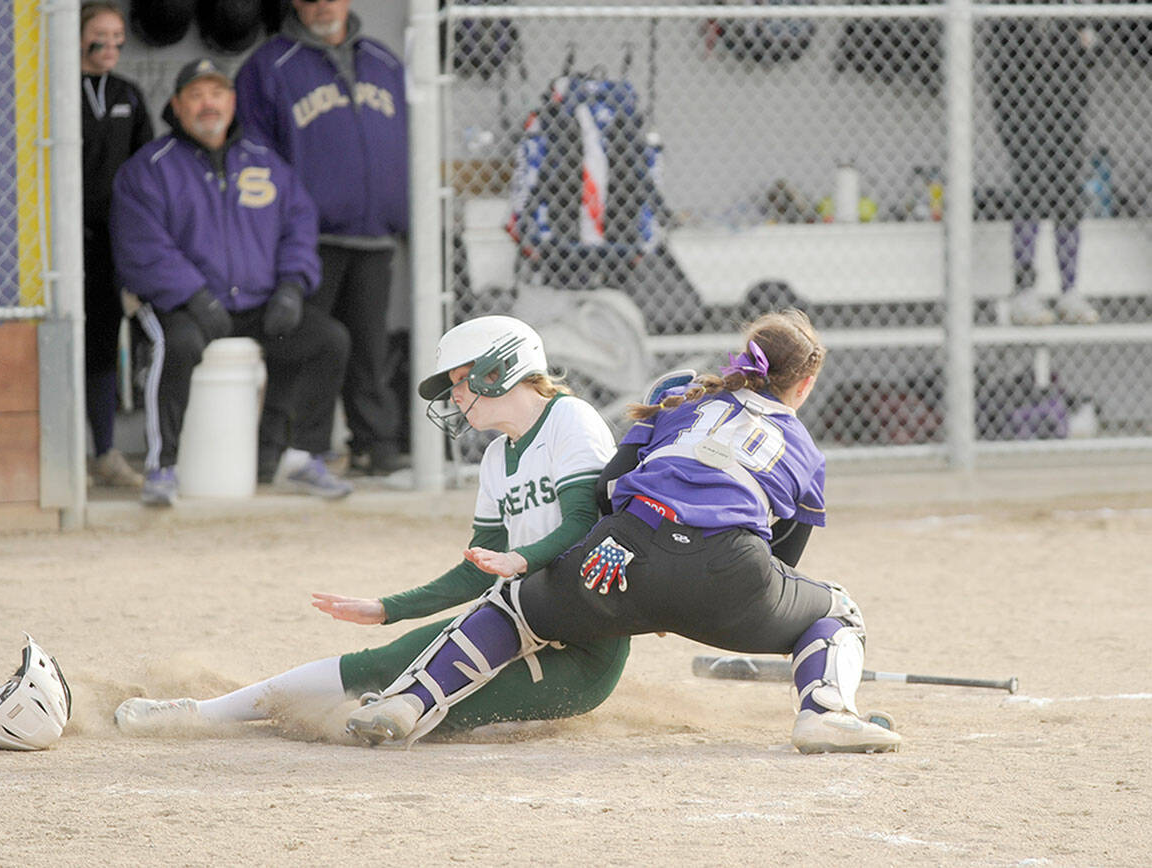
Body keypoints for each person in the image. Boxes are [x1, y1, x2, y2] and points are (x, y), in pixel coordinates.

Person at [348, 309, 903, 755]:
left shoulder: (683, 401)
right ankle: (826, 713)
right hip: (729, 574)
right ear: (804, 384)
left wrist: (645, 585)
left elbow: (607, 488)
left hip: (619, 553)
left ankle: (409, 702)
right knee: (839, 610)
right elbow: (784, 562)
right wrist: (700, 599)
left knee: (516, 605)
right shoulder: (806, 450)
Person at [113, 315, 631, 739]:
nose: (453, 397)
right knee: (379, 666)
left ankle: (372, 713)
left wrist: (519, 561)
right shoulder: (498, 456)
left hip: (584, 643)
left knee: (426, 712)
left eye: (458, 382)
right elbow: (478, 573)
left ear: (498, 370)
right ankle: (203, 712)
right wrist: (388, 609)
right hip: (516, 617)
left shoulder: (570, 419)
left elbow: (587, 525)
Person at [110, 58, 351, 506]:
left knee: (327, 340)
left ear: (233, 101)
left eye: (217, 93)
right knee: (177, 347)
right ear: (176, 105)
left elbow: (299, 226)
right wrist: (193, 295)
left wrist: (292, 286)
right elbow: (141, 245)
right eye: (197, 95)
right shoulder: (150, 167)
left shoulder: (267, 163)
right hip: (185, 304)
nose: (208, 104)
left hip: (257, 303)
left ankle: (302, 457)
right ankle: (163, 468)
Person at [236, 0, 410, 478]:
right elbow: (254, 158)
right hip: (306, 241)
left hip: (375, 237)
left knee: (370, 351)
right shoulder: (268, 65)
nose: (321, 7)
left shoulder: (385, 60)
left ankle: (376, 447)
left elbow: (407, 140)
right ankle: (276, 452)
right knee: (302, 347)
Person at [988, 5, 1102, 326]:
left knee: (1067, 191)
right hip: (1022, 104)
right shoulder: (1010, 17)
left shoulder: (1071, 15)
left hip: (1066, 103)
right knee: (1030, 189)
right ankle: (1024, 291)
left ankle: (1070, 290)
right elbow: (1001, 62)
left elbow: (1087, 47)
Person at [80, 1, 152, 489]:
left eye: (117, 37)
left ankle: (105, 452)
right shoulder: (56, 87)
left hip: (112, 241)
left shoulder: (129, 93)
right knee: (65, 345)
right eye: (98, 36)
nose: (110, 46)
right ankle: (67, 455)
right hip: (65, 241)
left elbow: (148, 168)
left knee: (104, 344)